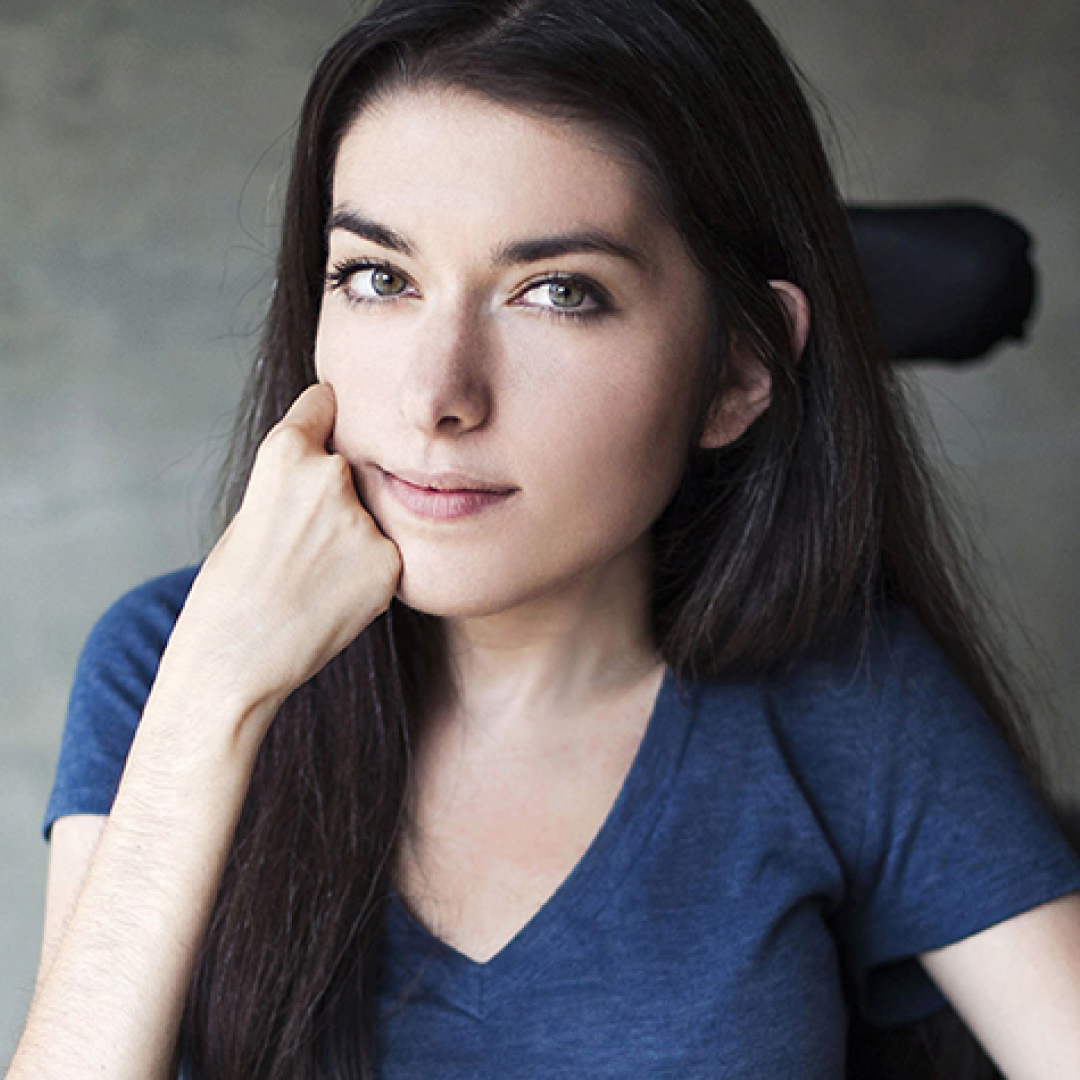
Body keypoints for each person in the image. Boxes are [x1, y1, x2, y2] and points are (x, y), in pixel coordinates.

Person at [10, 0, 1080, 1077]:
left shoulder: (846, 703)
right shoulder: (169, 662)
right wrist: (217, 695)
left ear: (738, 372)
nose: (436, 397)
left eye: (557, 293)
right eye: (379, 277)